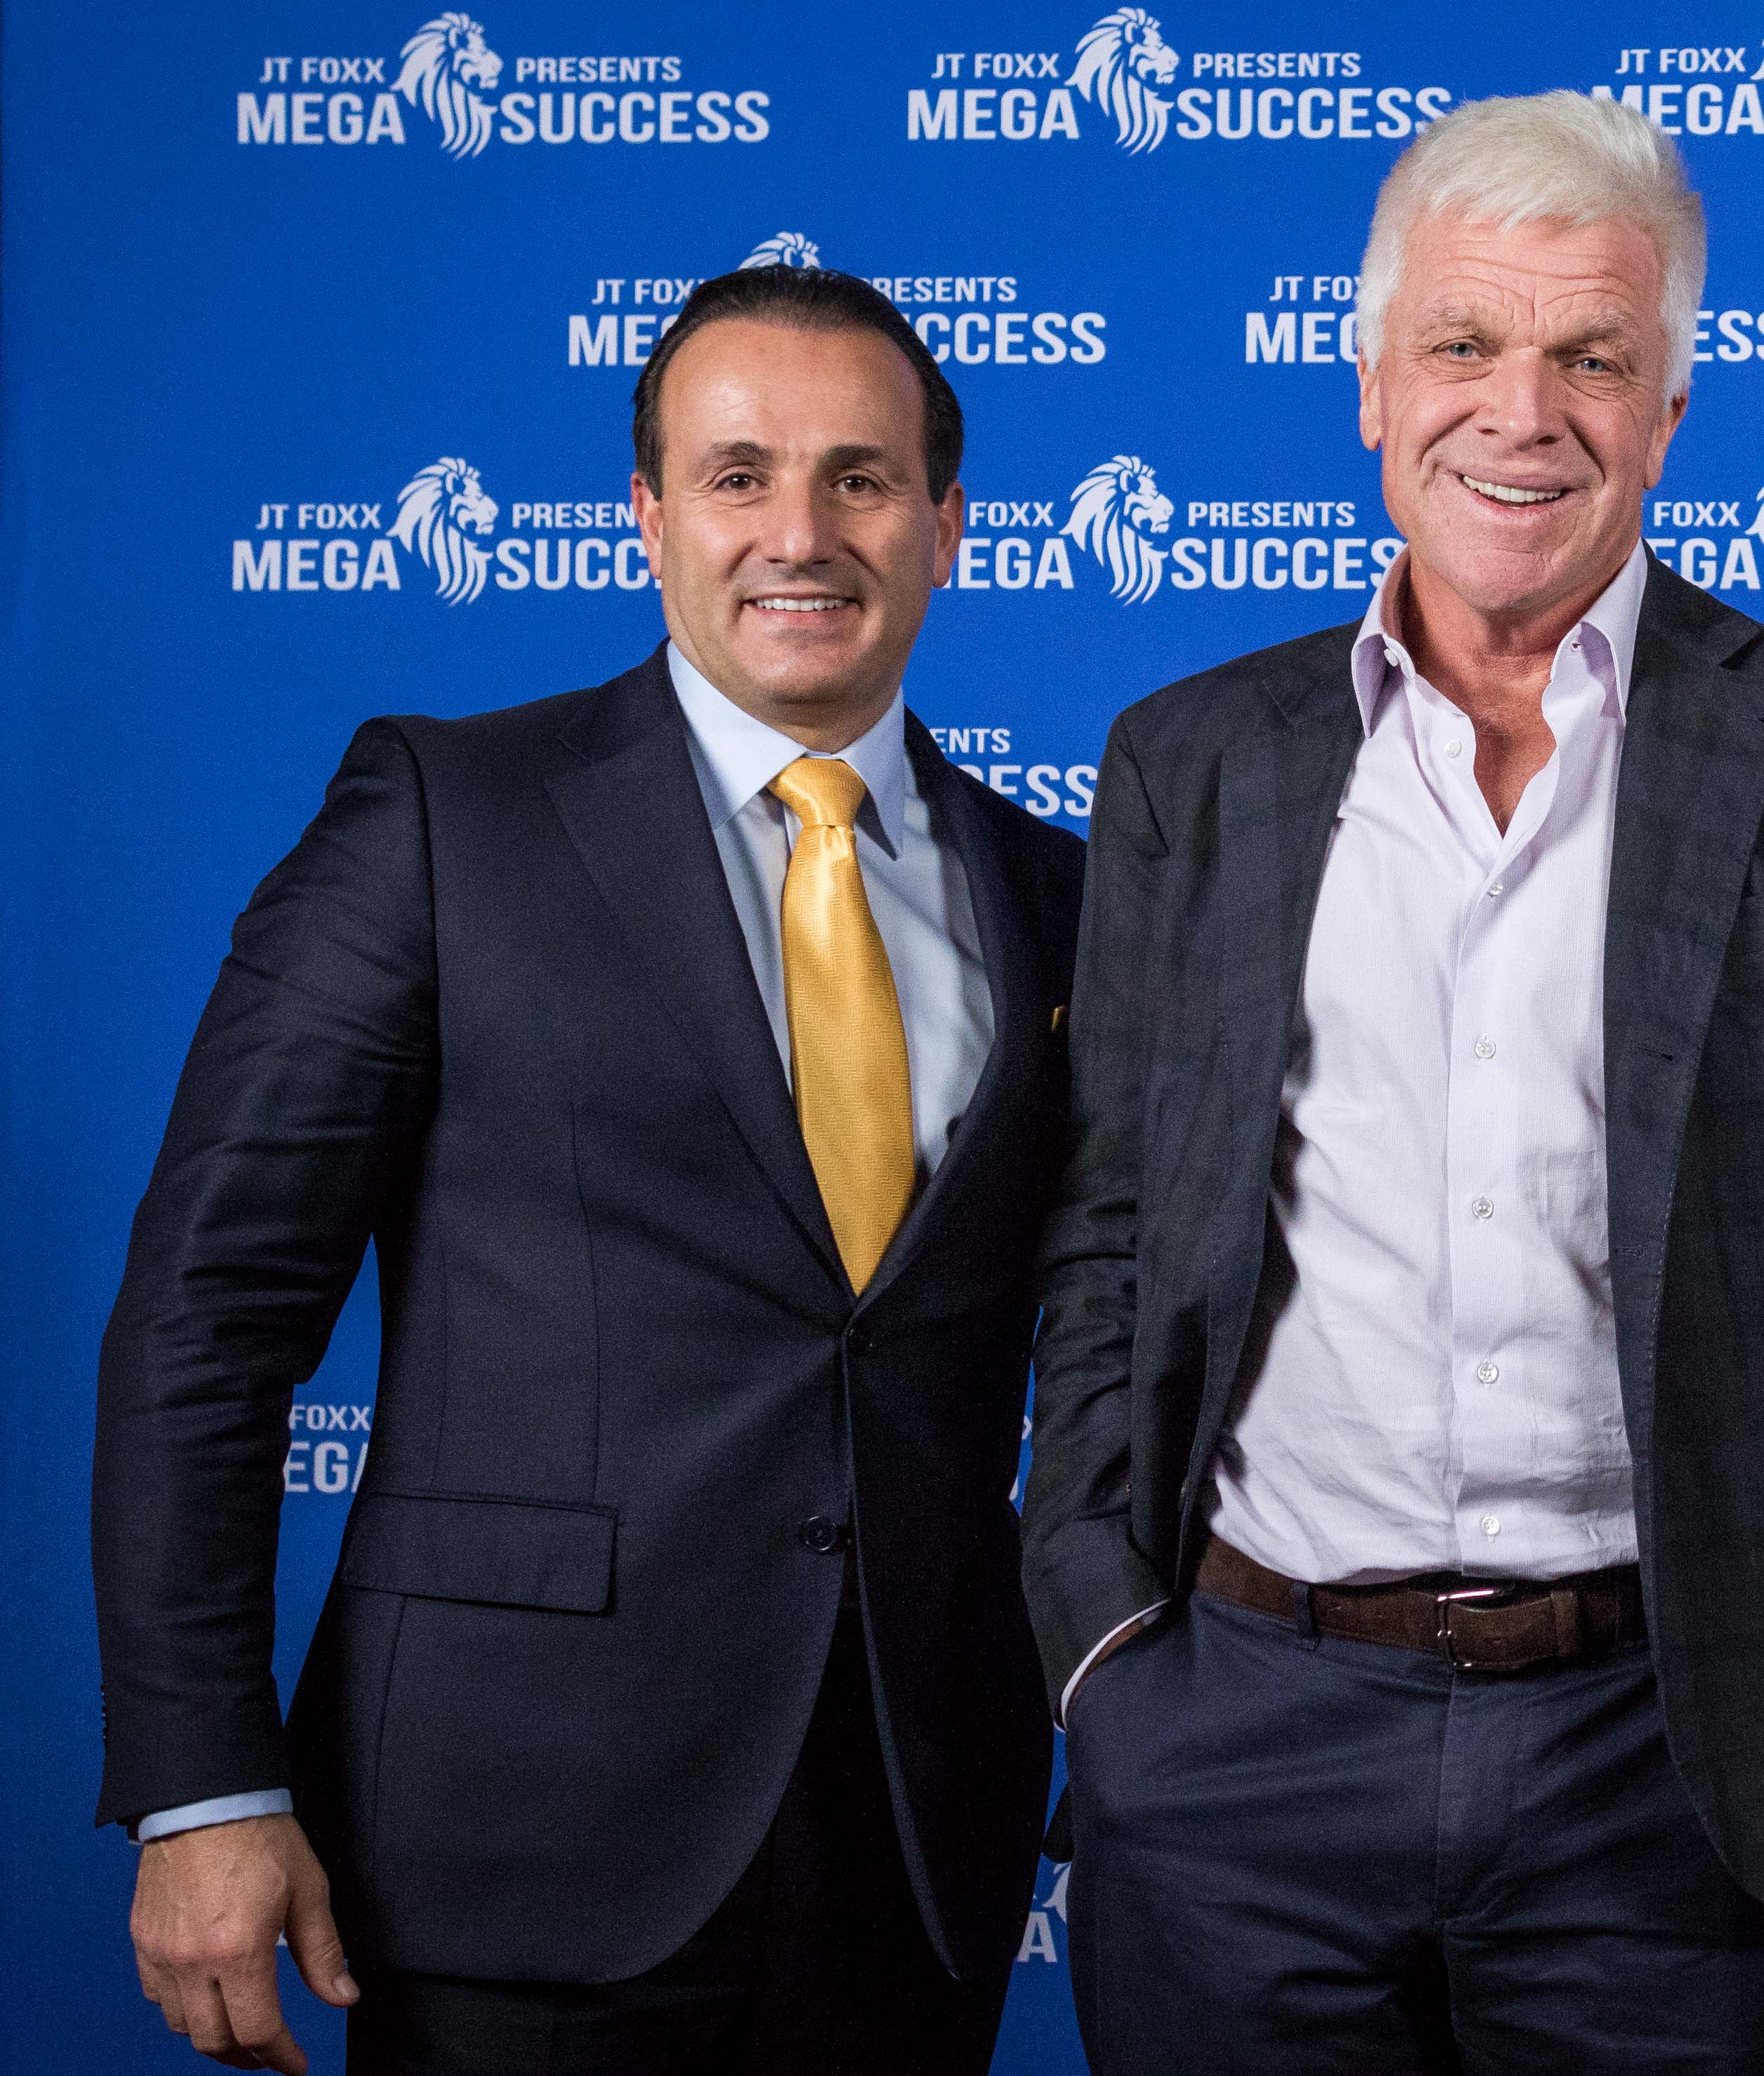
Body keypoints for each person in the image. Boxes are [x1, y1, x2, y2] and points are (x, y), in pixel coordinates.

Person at [1023, 90, 1764, 2075]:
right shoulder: (1193, 759)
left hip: (1679, 1751)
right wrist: (1102, 1650)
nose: (1524, 411)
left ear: (1668, 412)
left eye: (1592, 357)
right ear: (1371, 387)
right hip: (1238, 1737)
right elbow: (1114, 1230)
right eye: (1464, 344)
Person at [95, 263, 1080, 2075]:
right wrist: (201, 1784)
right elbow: (205, 1323)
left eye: (861, 479)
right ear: (646, 516)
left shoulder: (1057, 894)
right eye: (737, 475)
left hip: (912, 1844)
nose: (800, 533)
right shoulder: (443, 817)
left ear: (948, 526)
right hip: (506, 1835)